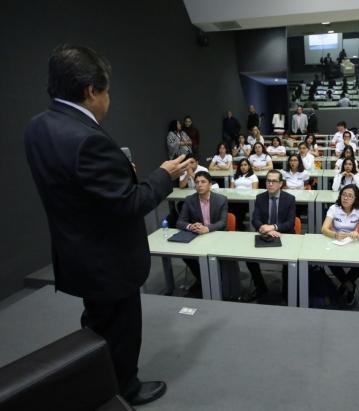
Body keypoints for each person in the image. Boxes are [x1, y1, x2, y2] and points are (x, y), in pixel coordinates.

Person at [24, 44, 193, 405]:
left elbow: (77, 191)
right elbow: (129, 204)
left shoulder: (37, 128)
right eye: (107, 91)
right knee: (122, 329)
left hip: (76, 252)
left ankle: (94, 377)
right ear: (91, 91)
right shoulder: (88, 139)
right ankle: (122, 388)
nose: (109, 99)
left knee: (97, 322)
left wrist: (117, 179)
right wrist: (163, 176)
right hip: (110, 260)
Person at [244, 170, 296, 302]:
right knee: (249, 259)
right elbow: (255, 220)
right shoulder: (260, 197)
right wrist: (265, 229)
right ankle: (260, 287)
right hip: (265, 234)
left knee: (290, 261)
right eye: (268, 181)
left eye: (274, 181)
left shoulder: (289, 199)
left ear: (280, 184)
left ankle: (287, 289)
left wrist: (273, 227)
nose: (270, 184)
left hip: (284, 235)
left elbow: (290, 223)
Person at [321, 184, 359, 307]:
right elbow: (324, 229)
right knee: (329, 260)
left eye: (350, 196)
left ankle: (345, 284)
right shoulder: (334, 208)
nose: (346, 198)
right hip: (336, 242)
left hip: (352, 242)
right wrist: (334, 234)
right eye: (344, 195)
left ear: (355, 199)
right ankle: (350, 285)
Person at [176, 171, 228, 296]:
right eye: (197, 182)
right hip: (197, 236)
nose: (199, 185)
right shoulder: (189, 200)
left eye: (203, 182)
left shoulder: (221, 200)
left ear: (210, 184)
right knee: (185, 254)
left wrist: (207, 228)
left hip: (216, 235)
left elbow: (223, 222)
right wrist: (191, 226)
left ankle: (216, 281)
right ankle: (202, 278)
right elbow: (180, 222)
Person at [229, 158, 258, 231]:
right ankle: (234, 226)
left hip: (247, 200)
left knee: (239, 210)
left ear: (249, 166)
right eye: (241, 165)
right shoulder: (235, 176)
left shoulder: (253, 176)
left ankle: (239, 226)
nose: (243, 167)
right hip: (235, 199)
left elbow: (254, 190)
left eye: (245, 165)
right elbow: (231, 189)